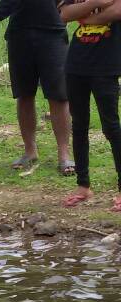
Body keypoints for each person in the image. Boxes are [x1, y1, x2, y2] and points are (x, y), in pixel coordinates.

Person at [0, 0, 74, 176]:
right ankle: (30, 151)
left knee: (58, 96)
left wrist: (62, 16)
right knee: (24, 95)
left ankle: (64, 154)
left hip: (53, 34)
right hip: (19, 33)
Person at [59, 0, 121, 208]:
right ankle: (83, 186)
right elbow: (64, 13)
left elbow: (118, 9)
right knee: (79, 125)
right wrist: (97, 2)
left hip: (107, 64)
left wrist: (86, 18)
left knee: (111, 127)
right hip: (76, 63)